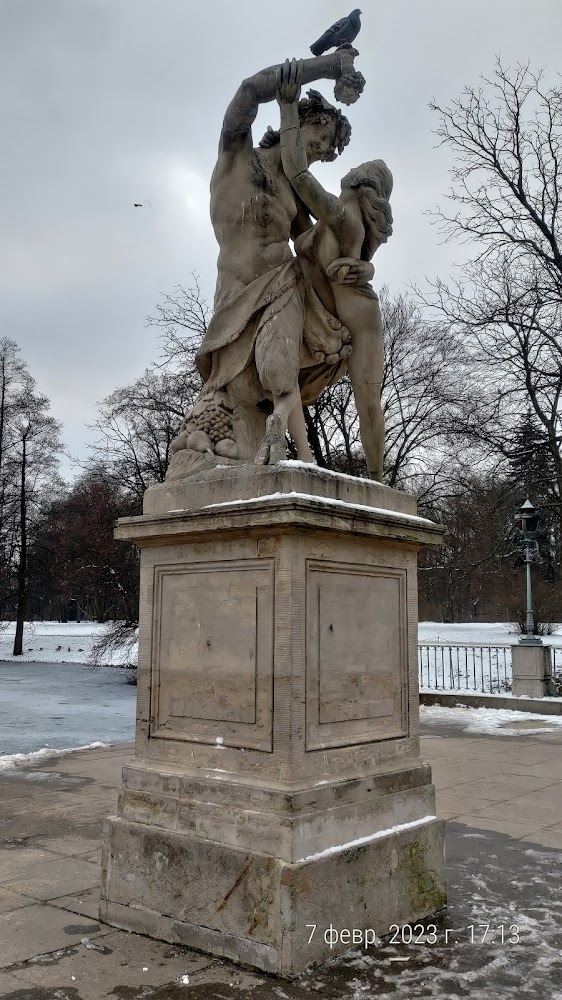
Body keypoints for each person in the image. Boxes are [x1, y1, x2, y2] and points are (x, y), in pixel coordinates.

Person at [195, 56, 371, 464]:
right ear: (301, 118)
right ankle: (268, 449)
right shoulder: (238, 154)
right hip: (236, 294)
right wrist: (328, 67)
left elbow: (323, 247)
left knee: (280, 370)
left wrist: (365, 265)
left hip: (284, 286)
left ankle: (302, 456)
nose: (323, 150)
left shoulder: (294, 196)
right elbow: (248, 90)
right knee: (239, 392)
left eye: (329, 152)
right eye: (322, 134)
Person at [276, 60, 393, 480]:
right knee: (367, 403)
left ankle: (378, 484)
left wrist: (288, 107)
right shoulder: (334, 223)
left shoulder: (342, 215)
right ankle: (377, 479)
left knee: (369, 403)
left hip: (358, 319)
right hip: (341, 311)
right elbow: (299, 227)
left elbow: (296, 173)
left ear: (361, 181)